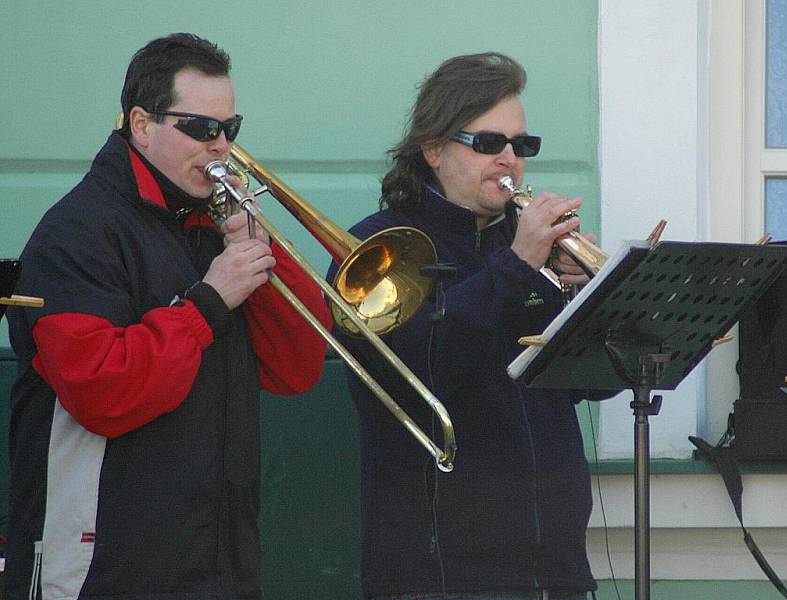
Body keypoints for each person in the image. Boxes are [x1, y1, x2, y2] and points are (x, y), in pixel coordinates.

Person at [4, 33, 331, 599]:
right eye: (202, 129)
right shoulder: (77, 234)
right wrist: (208, 302)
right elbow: (101, 389)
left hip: (220, 562)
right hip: (104, 568)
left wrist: (263, 258)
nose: (221, 146)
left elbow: (297, 370)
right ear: (141, 123)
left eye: (231, 129)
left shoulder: (211, 223)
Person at [328, 53, 598, 600]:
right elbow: (414, 379)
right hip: (441, 572)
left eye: (522, 146)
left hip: (553, 565)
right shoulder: (377, 250)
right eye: (488, 143)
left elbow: (593, 384)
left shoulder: (528, 249)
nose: (509, 161)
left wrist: (583, 296)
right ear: (432, 149)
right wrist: (516, 267)